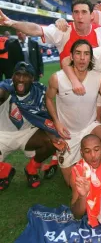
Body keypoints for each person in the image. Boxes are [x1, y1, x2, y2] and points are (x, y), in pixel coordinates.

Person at [0, 0, 101, 95]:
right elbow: (36, 29)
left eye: (84, 12)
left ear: (91, 15)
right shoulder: (63, 31)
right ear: (72, 15)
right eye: (76, 12)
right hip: (68, 89)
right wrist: (12, 23)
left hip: (95, 90)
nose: (80, 16)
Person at [46, 39, 101, 186]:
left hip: (89, 126)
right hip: (67, 133)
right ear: (71, 56)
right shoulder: (57, 78)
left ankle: (95, 168)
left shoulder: (98, 77)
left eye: (86, 54)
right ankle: (80, 162)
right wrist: (56, 122)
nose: (82, 58)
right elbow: (48, 99)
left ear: (90, 57)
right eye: (78, 53)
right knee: (72, 184)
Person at [0, 62, 66, 190]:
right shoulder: (6, 88)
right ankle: (4, 170)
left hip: (28, 133)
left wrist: (54, 137)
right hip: (3, 134)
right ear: (12, 76)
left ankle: (32, 168)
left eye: (26, 75)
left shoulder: (40, 92)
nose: (20, 79)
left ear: (32, 78)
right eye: (17, 74)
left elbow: (46, 118)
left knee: (53, 141)